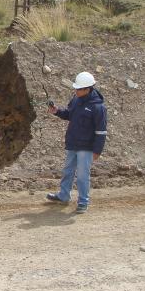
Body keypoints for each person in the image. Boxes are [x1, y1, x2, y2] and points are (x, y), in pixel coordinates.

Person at [45, 71, 107, 213]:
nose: (76, 90)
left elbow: (101, 131)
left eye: (79, 89)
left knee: (83, 175)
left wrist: (97, 150)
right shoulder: (76, 100)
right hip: (73, 143)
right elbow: (69, 114)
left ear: (88, 89)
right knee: (67, 171)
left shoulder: (98, 107)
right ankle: (64, 195)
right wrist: (57, 111)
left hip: (86, 146)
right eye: (76, 88)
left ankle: (83, 201)